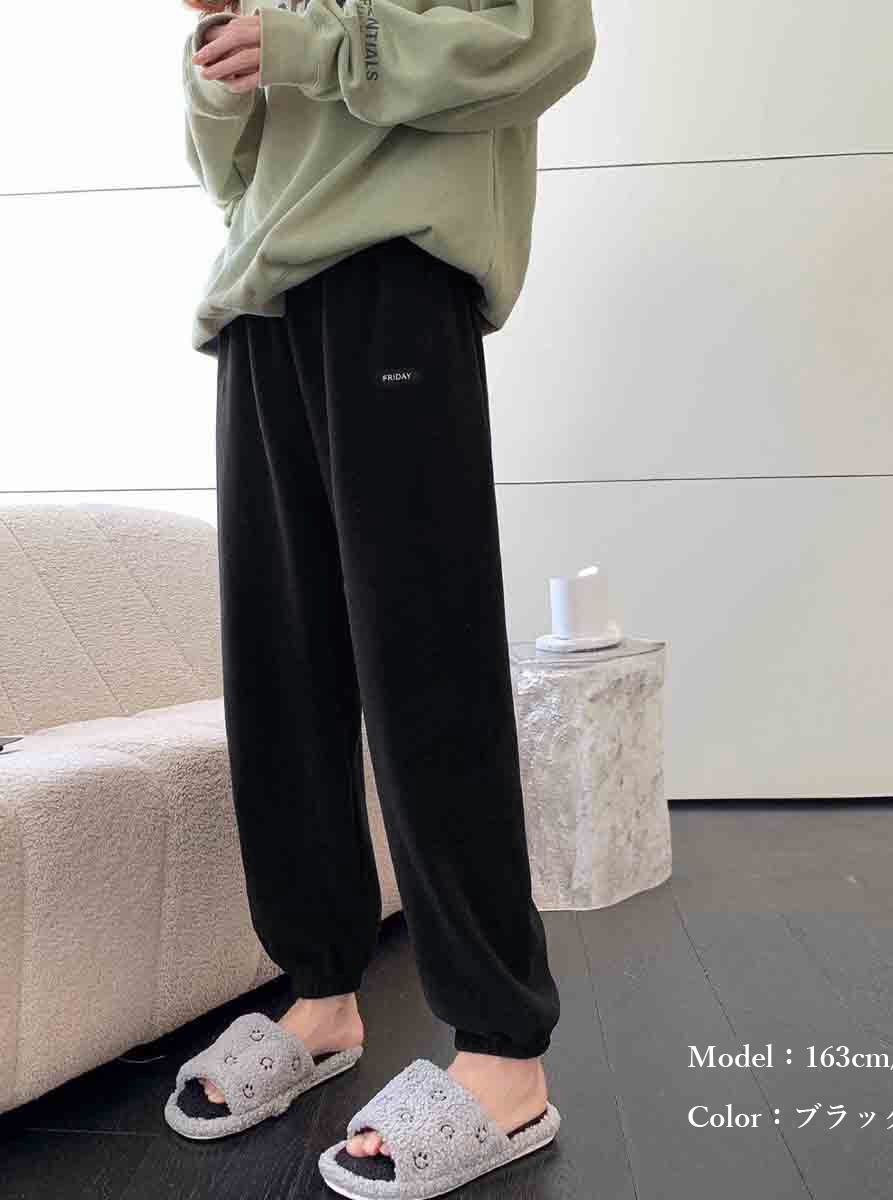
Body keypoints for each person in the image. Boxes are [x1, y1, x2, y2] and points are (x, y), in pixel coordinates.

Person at [166, 1, 597, 1194]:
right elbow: (227, 172)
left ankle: (503, 1056)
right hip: (257, 305)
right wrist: (222, 59)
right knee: (281, 676)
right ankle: (319, 998)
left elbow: (544, 41)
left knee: (425, 669)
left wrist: (314, 46)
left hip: (394, 276)